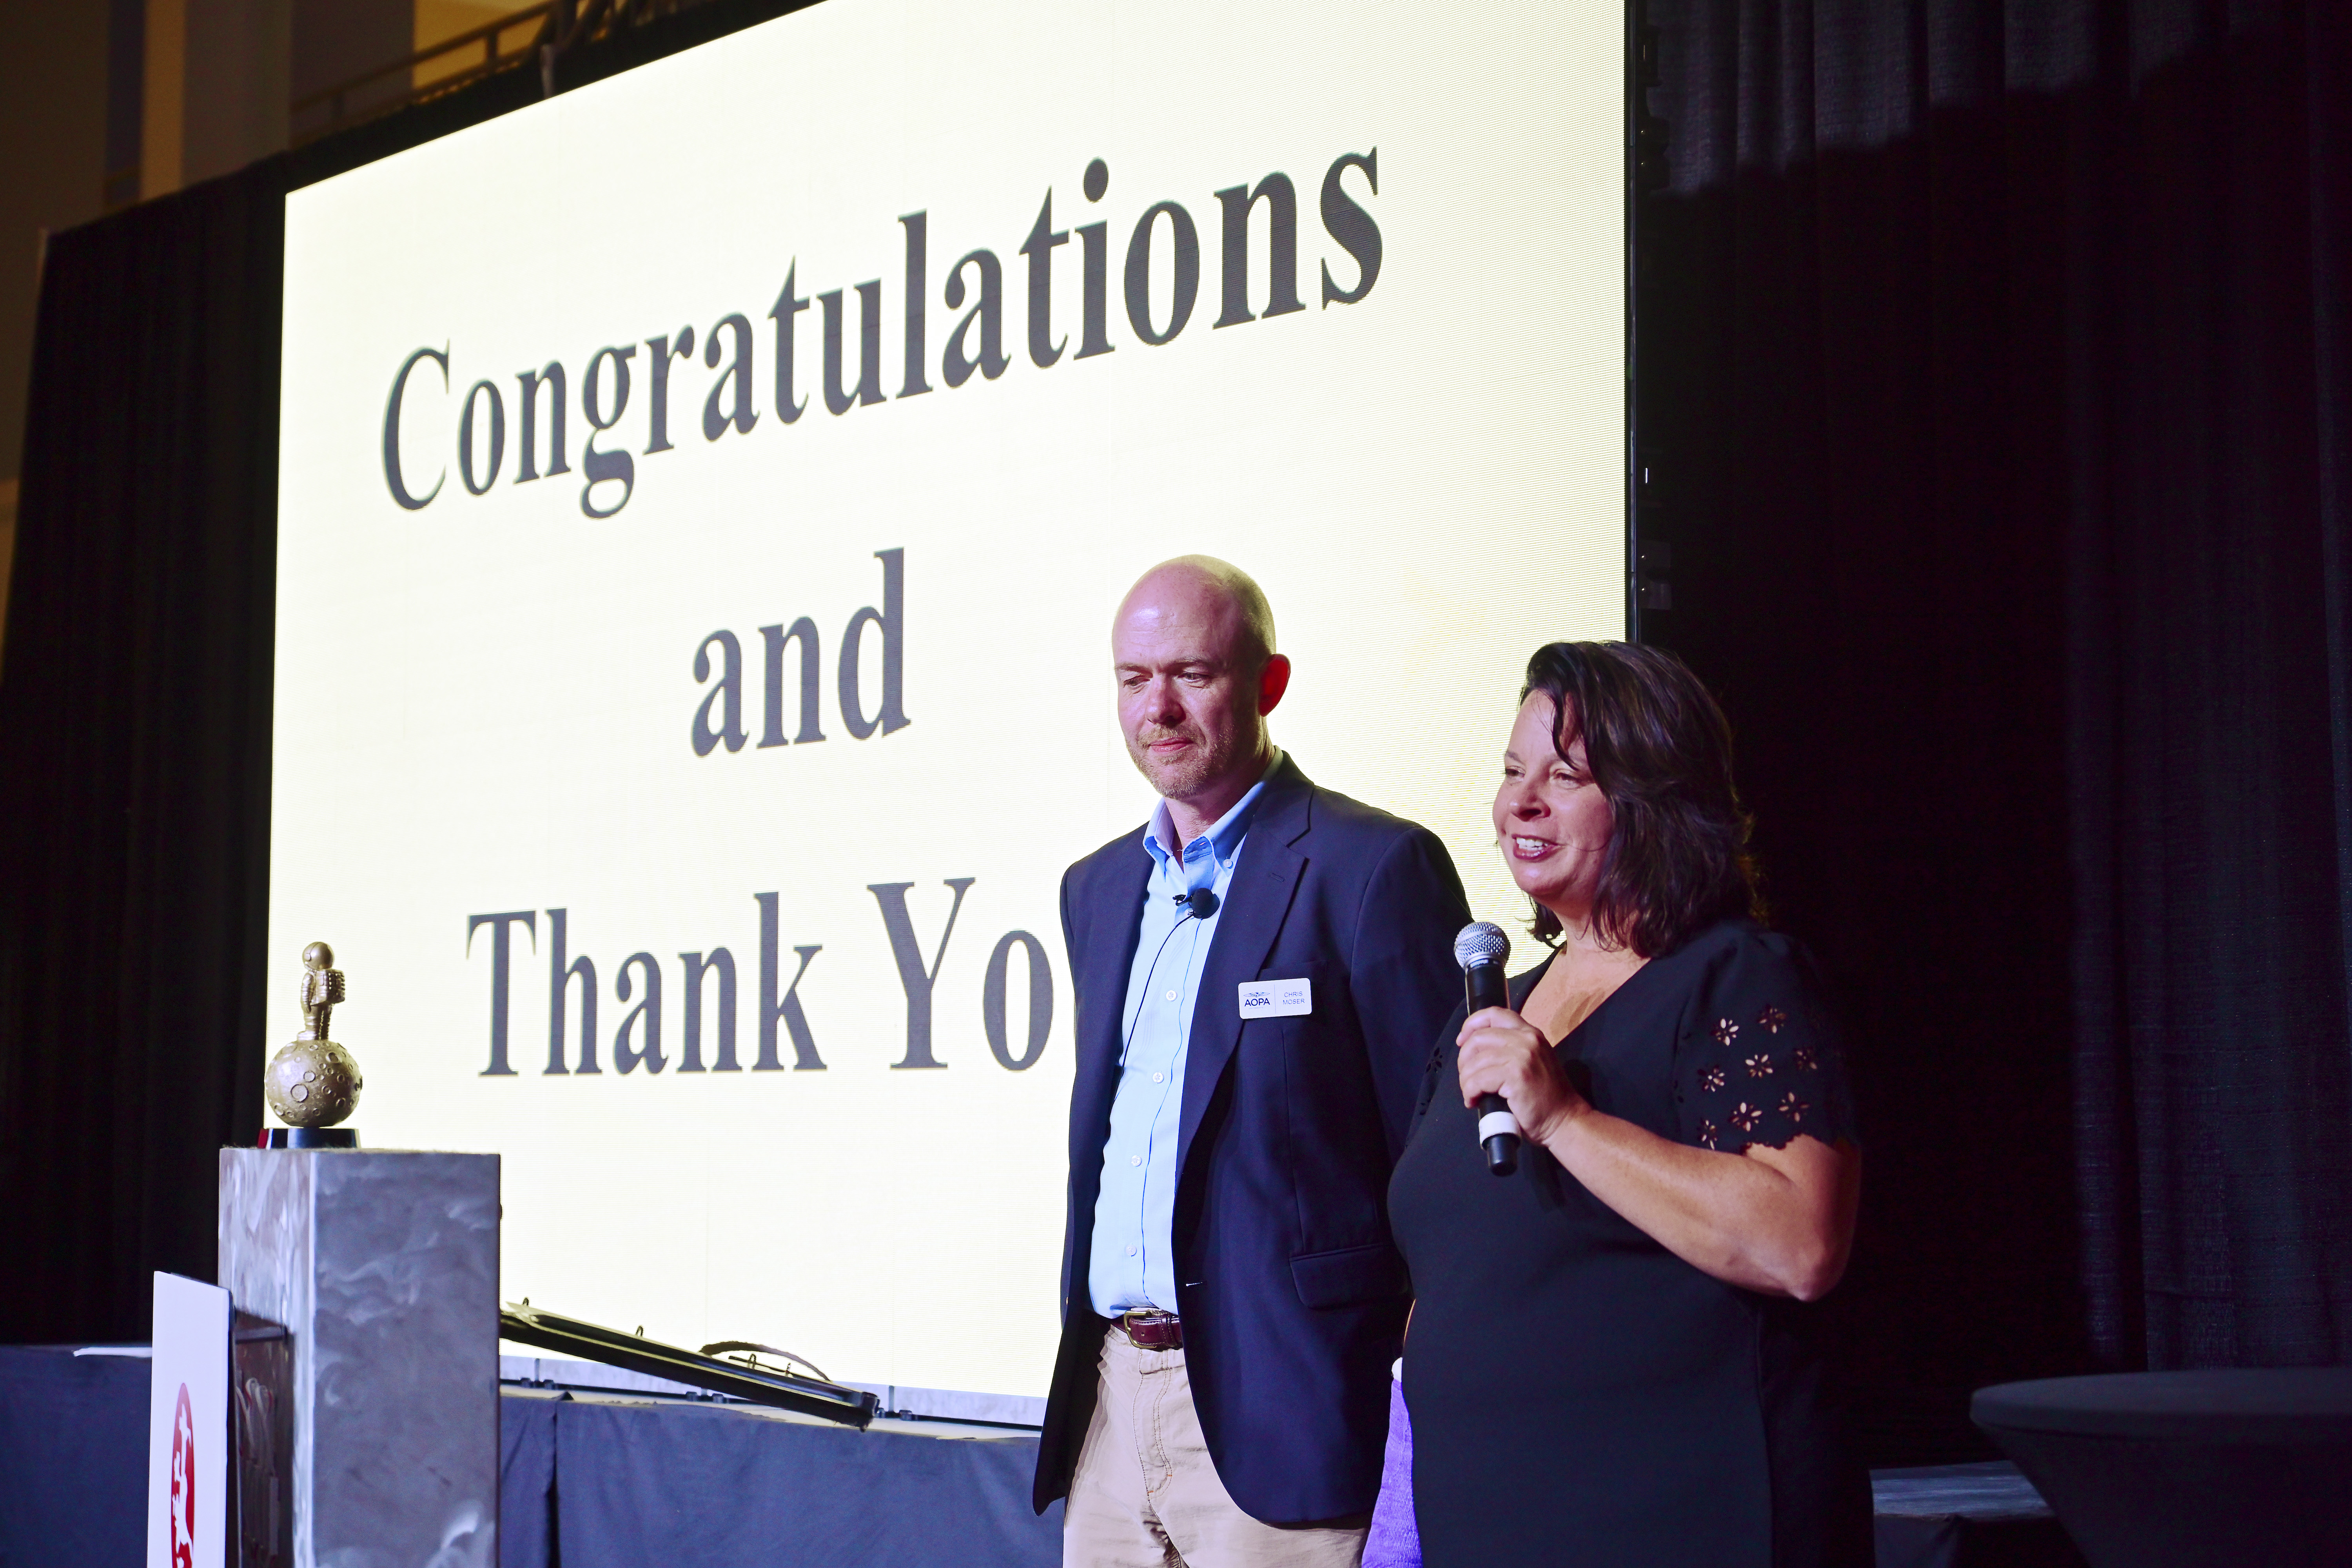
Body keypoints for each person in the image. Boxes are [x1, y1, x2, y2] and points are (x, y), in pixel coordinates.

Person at [1384, 641, 1869, 1567]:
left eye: (1564, 777)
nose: (1521, 802)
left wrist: (1566, 1118)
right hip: (1490, 1521)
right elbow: (1457, 1276)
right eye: (1512, 771)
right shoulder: (1490, 1010)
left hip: (1679, 1515)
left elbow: (1800, 1242)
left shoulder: (1735, 977)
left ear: (1653, 804)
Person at [1034, 556, 1473, 1566]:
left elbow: (1436, 1151)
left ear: (1267, 685)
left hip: (1287, 1403)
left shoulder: (1372, 866)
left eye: (1192, 672)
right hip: (1110, 1400)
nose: (1161, 705)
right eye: (1135, 678)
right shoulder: (1095, 889)